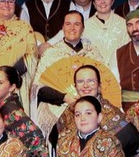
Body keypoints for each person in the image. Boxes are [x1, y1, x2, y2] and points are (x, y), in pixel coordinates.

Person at [29, 11, 107, 141]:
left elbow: (105, 82)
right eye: (68, 24)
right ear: (62, 28)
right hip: (58, 106)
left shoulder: (93, 52)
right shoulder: (51, 53)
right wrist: (65, 97)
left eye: (77, 24)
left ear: (83, 28)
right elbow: (38, 88)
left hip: (91, 104)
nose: (72, 28)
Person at [84, 0, 129, 67]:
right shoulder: (86, 26)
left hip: (118, 71)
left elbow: (128, 51)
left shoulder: (123, 24)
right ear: (94, 3)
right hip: (93, 72)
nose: (102, 2)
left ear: (112, 1)